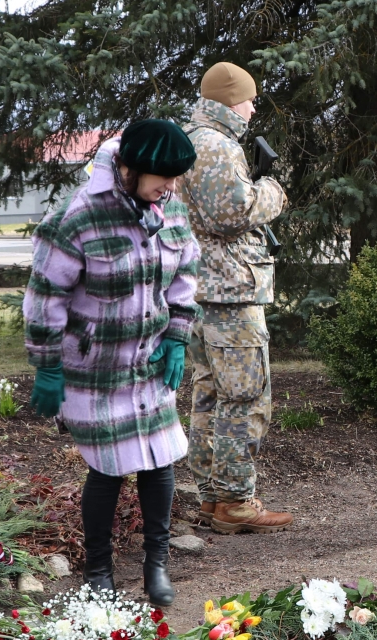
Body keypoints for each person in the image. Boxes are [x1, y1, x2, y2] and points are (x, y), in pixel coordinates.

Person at [24, 120, 202, 604]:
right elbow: (45, 298)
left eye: (176, 177)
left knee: (159, 461)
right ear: (129, 169)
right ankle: (98, 570)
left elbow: (184, 274)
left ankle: (156, 565)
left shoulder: (169, 209)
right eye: (163, 176)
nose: (171, 186)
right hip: (95, 370)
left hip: (149, 364)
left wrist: (177, 337)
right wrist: (48, 365)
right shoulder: (77, 217)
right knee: (107, 470)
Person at [176, 62, 294, 533]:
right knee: (245, 398)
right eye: (249, 99)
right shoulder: (218, 146)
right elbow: (232, 214)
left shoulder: (192, 140)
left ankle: (212, 495)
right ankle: (235, 501)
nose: (253, 108)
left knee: (210, 394)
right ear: (230, 101)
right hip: (229, 292)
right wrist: (272, 192)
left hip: (202, 291)